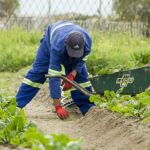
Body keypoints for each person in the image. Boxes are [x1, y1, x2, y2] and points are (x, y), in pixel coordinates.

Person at [16, 20, 95, 119]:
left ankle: (88, 110)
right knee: (38, 73)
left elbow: (81, 60)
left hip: (68, 38)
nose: (74, 57)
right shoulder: (57, 47)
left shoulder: (87, 43)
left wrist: (72, 75)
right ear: (66, 45)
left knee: (81, 77)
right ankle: (16, 106)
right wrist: (58, 106)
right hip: (50, 41)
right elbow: (54, 77)